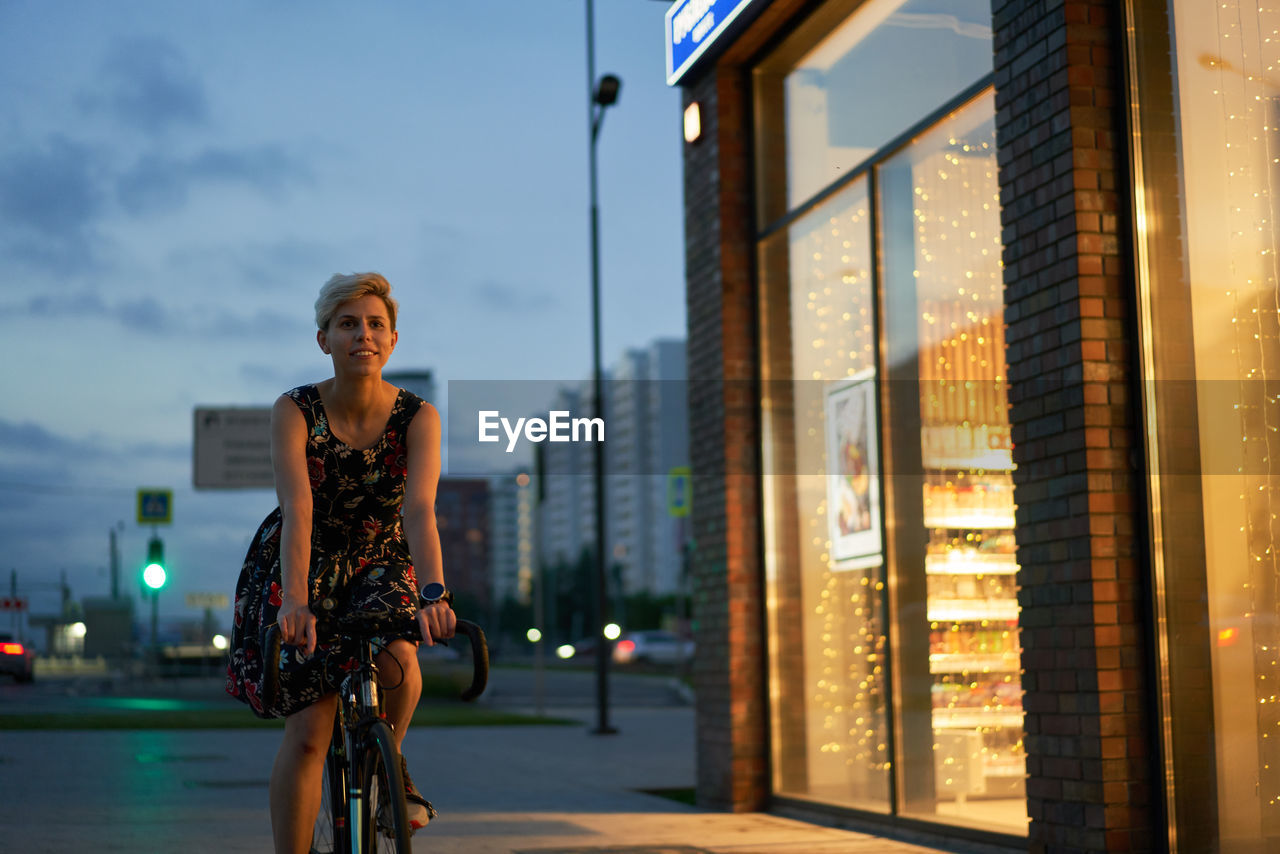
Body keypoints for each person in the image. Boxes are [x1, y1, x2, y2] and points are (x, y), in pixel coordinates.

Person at [225, 272, 455, 854]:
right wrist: (295, 602)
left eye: (376, 324)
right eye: (348, 324)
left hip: (381, 554)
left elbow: (420, 510)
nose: (363, 335)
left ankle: (391, 763)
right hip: (307, 556)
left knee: (402, 657)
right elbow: (298, 509)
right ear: (324, 339)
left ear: (393, 340)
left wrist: (434, 592)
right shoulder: (295, 409)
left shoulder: (417, 416)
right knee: (308, 732)